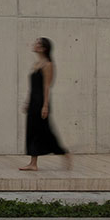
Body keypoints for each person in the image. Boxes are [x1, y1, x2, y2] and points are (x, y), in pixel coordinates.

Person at [20, 37, 71, 171]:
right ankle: (33, 163)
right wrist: (27, 101)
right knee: (32, 130)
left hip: (41, 102)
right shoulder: (36, 64)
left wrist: (45, 105)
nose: (34, 45)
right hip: (33, 101)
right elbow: (33, 87)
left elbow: (47, 86)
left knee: (45, 131)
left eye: (37, 44)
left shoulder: (48, 65)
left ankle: (63, 153)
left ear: (43, 48)